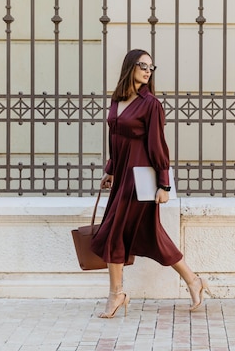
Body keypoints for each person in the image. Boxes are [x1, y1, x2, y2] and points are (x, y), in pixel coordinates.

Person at [91, 49, 209, 318]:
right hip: (121, 176)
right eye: (142, 65)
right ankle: (193, 280)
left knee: (114, 232)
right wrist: (110, 170)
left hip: (139, 179)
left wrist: (164, 185)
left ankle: (116, 293)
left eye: (151, 67)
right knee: (151, 236)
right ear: (130, 66)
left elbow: (158, 146)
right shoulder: (116, 100)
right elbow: (115, 140)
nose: (147, 71)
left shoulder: (151, 104)